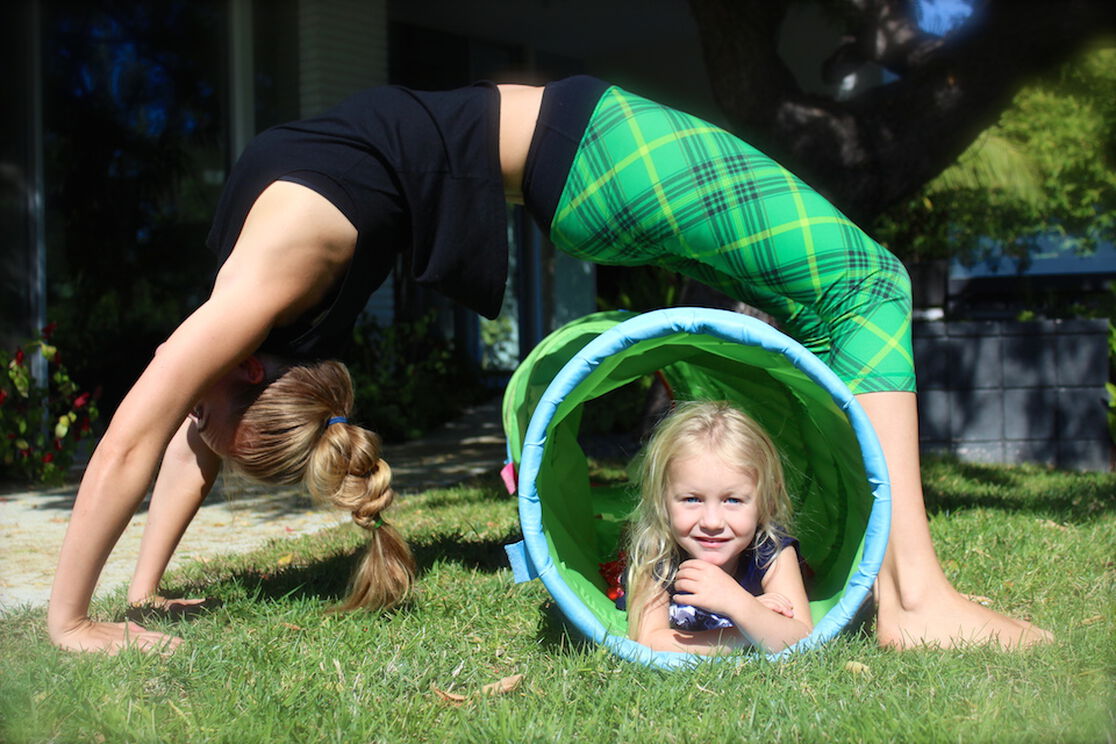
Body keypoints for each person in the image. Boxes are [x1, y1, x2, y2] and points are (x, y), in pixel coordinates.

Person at [47, 75, 1049, 654]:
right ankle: (916, 601)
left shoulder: (259, 298)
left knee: (828, 288)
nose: (195, 413)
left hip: (576, 154)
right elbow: (174, 435)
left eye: (208, 414)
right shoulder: (262, 304)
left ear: (247, 385)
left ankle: (900, 579)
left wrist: (101, 605)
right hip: (592, 145)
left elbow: (160, 433)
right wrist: (91, 612)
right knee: (866, 279)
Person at [624, 401, 811, 654]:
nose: (711, 522)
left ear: (766, 500)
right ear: (662, 500)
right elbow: (648, 642)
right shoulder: (657, 552)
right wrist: (749, 627)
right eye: (692, 499)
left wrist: (740, 605)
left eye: (732, 500)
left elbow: (801, 638)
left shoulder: (771, 551)